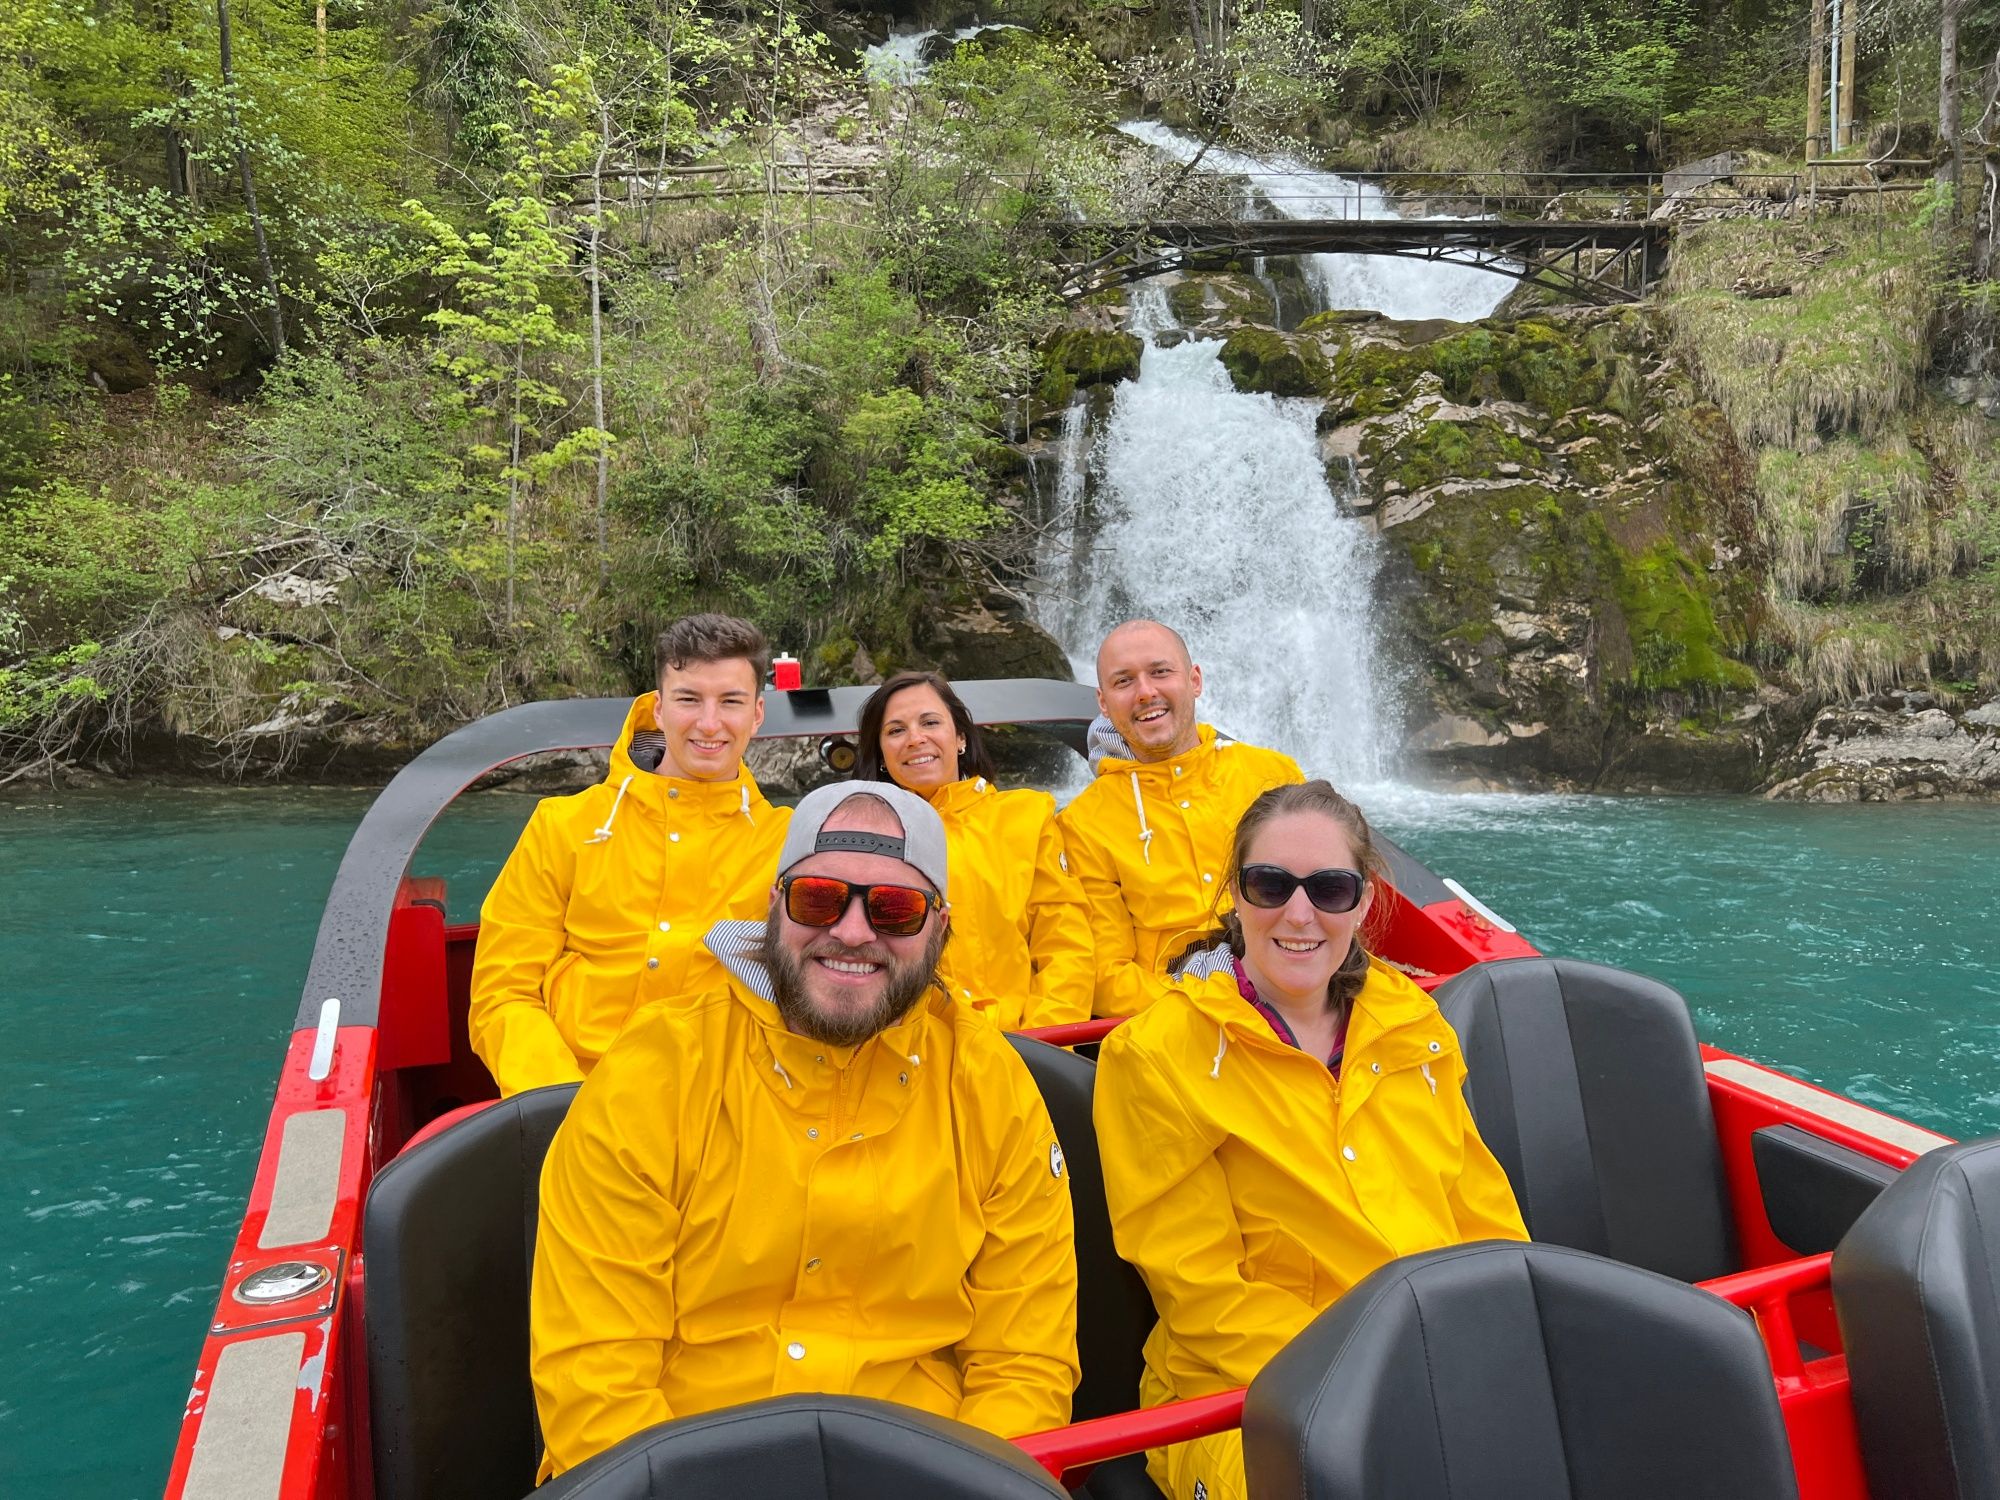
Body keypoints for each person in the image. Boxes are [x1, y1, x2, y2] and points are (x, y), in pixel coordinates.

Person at [529, 782, 1081, 1480]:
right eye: (818, 898)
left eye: (895, 909)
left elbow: (1023, 1365)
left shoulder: (991, 1087)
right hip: (674, 1471)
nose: (852, 932)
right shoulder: (653, 1075)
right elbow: (595, 1379)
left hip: (925, 1477)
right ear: (772, 907)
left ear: (940, 929)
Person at [1095, 781, 1528, 1500]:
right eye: (1271, 885)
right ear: (1235, 894)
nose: (1299, 914)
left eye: (1329, 889)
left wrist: (1501, 1352)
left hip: (1432, 1368)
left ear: (1361, 902)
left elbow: (1483, 1218)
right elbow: (1204, 1300)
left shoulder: (1416, 1029)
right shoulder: (1153, 1056)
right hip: (1248, 1403)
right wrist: (1387, 1384)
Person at [469, 613, 791, 1097]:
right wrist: (559, 1104)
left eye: (730, 702)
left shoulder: (788, 843)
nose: (709, 723)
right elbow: (503, 993)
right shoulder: (563, 825)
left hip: (722, 1104)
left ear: (757, 713)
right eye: (688, 699)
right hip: (574, 1093)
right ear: (658, 709)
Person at [1058, 619, 1304, 1018]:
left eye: (1160, 672)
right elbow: (1106, 977)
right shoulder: (1083, 823)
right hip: (1179, 1026)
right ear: (1104, 704)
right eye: (1124, 682)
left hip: (1298, 995)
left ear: (1194, 680)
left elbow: (1325, 903)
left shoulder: (1272, 775)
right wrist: (1216, 1007)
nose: (1145, 692)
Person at [854, 670, 1094, 1030]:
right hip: (907, 1053)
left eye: (930, 722)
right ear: (882, 754)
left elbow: (1065, 945)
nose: (915, 739)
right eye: (895, 730)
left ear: (961, 737)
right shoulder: (856, 838)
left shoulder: (1026, 818)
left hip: (1024, 1047)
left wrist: (1043, 1045)